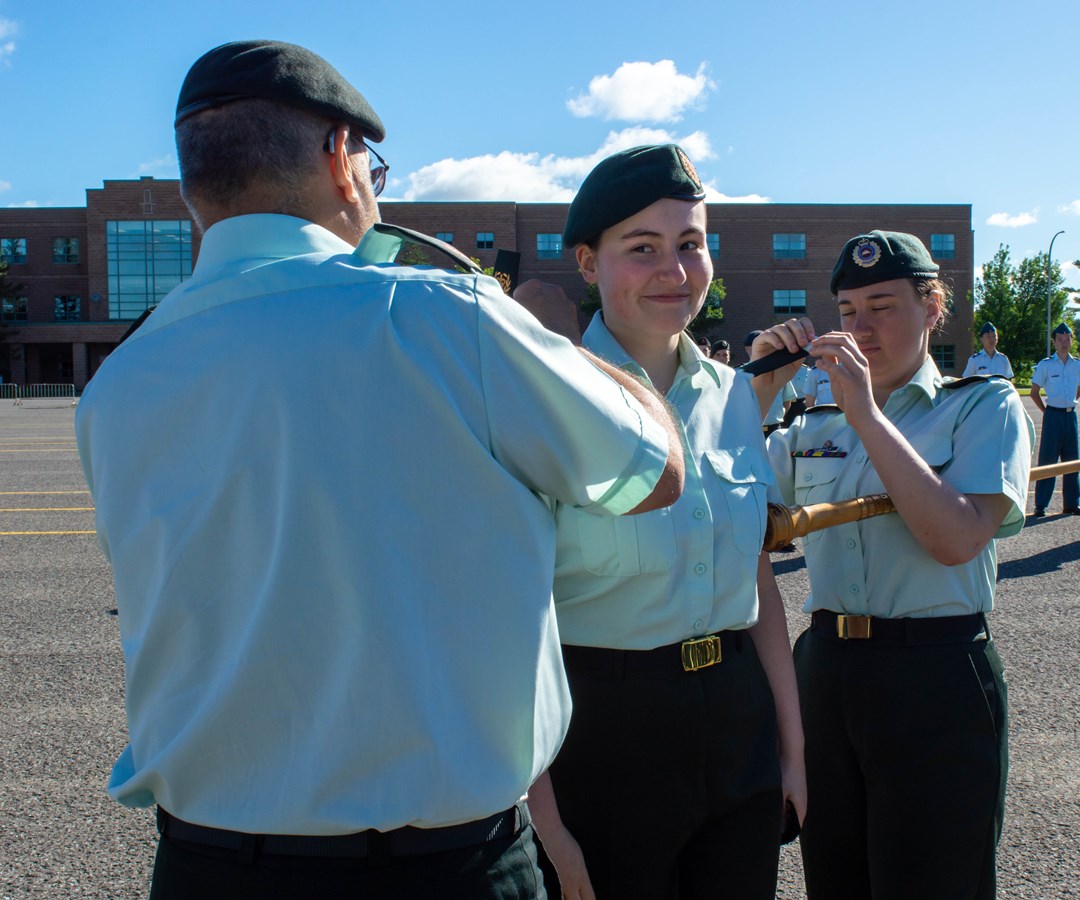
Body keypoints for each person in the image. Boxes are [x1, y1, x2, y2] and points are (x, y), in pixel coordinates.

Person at [75, 40, 684, 899]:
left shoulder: (121, 381)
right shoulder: (443, 316)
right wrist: (581, 350)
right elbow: (654, 473)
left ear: (190, 191)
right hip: (442, 869)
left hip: (209, 868)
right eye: (374, 165)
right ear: (340, 157)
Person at [528, 144, 806, 900]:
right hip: (605, 736)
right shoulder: (546, 401)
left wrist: (793, 746)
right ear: (587, 263)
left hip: (736, 725)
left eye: (690, 244)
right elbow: (505, 626)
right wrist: (545, 824)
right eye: (641, 249)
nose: (675, 271)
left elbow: (755, 580)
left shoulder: (732, 397)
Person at [753, 230, 1032, 898]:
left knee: (934, 880)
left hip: (935, 674)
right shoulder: (812, 422)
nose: (862, 327)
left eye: (883, 305)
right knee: (836, 879)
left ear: (933, 306)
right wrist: (756, 397)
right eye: (848, 312)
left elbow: (957, 538)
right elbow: (729, 520)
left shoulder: (982, 403)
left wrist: (868, 416)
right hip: (825, 671)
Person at [1029, 322, 1080, 516]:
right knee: (1048, 460)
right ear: (1054, 342)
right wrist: (1046, 411)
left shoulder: (1077, 365)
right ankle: (1041, 504)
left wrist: (1070, 404)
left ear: (1071, 341)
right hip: (1053, 415)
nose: (1064, 343)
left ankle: (1072, 503)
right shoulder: (1046, 365)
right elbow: (1034, 392)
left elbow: (1079, 389)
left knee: (1072, 460)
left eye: (1067, 339)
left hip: (1070, 415)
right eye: (1060, 340)